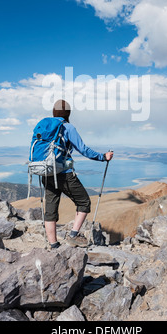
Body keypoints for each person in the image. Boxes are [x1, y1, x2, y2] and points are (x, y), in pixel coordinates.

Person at [43, 99, 113, 249]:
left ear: (53, 112)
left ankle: (53, 244)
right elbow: (84, 149)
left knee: (50, 209)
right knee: (84, 202)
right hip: (64, 173)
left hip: (46, 172)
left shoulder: (46, 127)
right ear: (68, 113)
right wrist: (103, 156)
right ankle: (73, 236)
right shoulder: (68, 127)